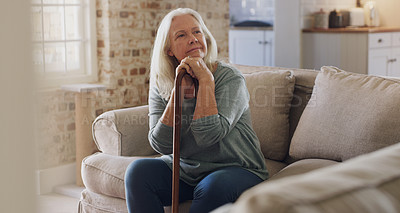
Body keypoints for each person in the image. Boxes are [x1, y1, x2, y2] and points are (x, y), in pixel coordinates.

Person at [124, 8, 268, 213]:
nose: (193, 39)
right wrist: (177, 94)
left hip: (237, 169)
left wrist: (206, 81)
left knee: (212, 187)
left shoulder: (230, 78)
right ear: (169, 49)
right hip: (186, 170)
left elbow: (209, 136)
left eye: (197, 32)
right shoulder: (161, 83)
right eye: (181, 35)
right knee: (138, 172)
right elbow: (161, 144)